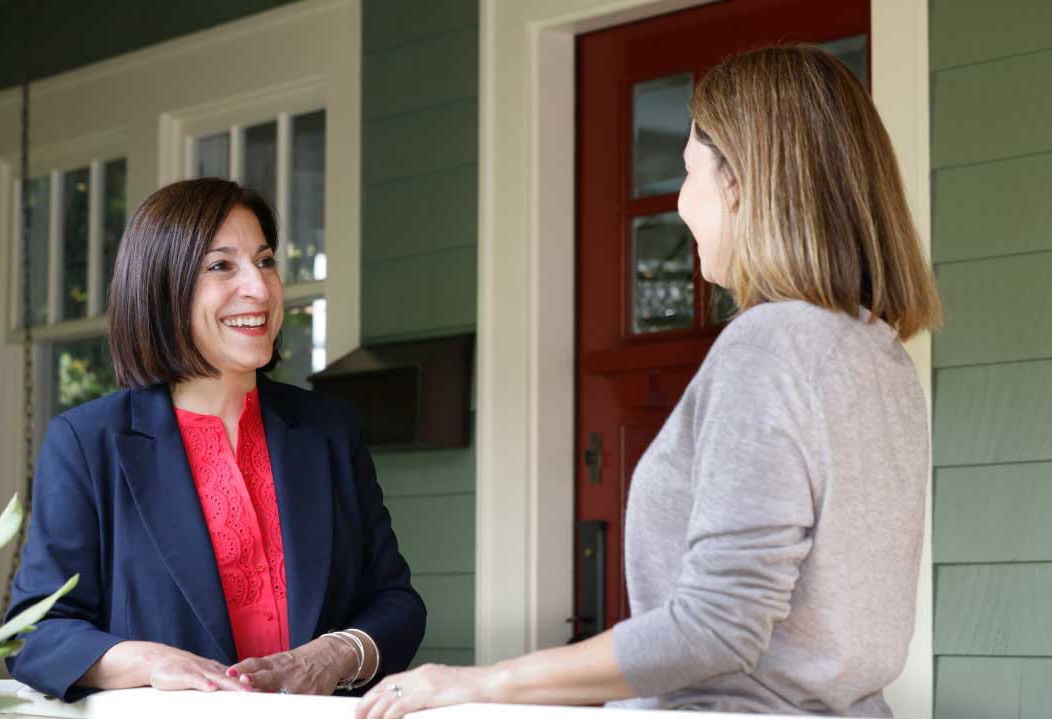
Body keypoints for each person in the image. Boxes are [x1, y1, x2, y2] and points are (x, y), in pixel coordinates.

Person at [357, 43, 942, 719]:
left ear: (740, 183)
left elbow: (716, 625)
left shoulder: (772, 343)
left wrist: (481, 681)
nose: (681, 200)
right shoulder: (879, 353)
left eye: (689, 171)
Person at [5, 178, 425, 701]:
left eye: (265, 261)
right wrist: (148, 660)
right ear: (163, 289)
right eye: (221, 266)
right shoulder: (88, 442)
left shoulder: (329, 430)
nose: (259, 286)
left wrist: (335, 653)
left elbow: (396, 603)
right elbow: (35, 633)